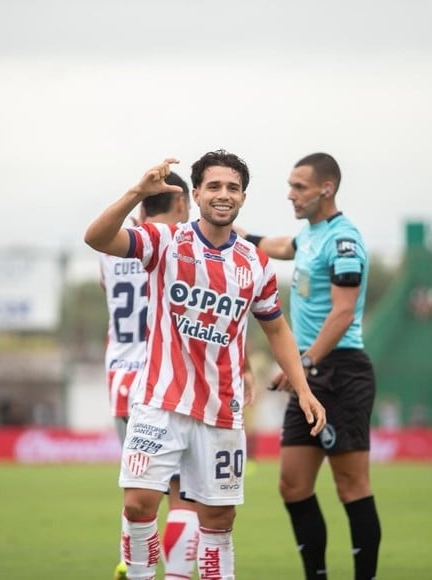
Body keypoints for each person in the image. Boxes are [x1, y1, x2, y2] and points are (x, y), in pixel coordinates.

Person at [84, 151, 326, 580]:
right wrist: (137, 192)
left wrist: (304, 388)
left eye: (232, 188)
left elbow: (276, 329)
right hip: (160, 400)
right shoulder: (165, 240)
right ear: (194, 194)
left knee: (218, 522)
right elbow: (97, 238)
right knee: (138, 504)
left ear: (243, 198)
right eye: (213, 186)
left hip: (221, 411)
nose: (223, 195)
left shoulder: (256, 263)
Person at [239, 152, 382, 579]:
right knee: (293, 486)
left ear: (327, 188)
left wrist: (301, 362)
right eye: (290, 185)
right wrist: (231, 232)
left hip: (341, 372)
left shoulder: (344, 241)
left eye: (299, 187)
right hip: (310, 374)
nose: (290, 194)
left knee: (351, 486)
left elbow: (343, 313)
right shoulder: (309, 236)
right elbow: (277, 245)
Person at [99, 173, 201, 579]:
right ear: (180, 204)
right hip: (168, 383)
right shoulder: (183, 246)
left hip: (121, 385)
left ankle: (131, 561)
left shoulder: (111, 251)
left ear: (142, 208)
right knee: (182, 496)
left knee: (137, 491)